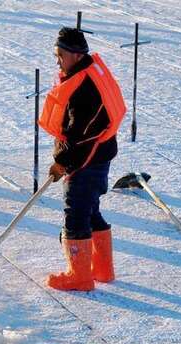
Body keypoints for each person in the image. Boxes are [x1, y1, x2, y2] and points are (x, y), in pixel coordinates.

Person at [38, 27, 126, 291]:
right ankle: (102, 269)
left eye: (61, 55)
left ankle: (79, 276)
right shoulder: (83, 74)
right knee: (90, 210)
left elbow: (80, 135)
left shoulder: (85, 88)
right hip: (96, 156)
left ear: (76, 55)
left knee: (76, 213)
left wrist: (63, 162)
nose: (57, 60)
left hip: (87, 160)